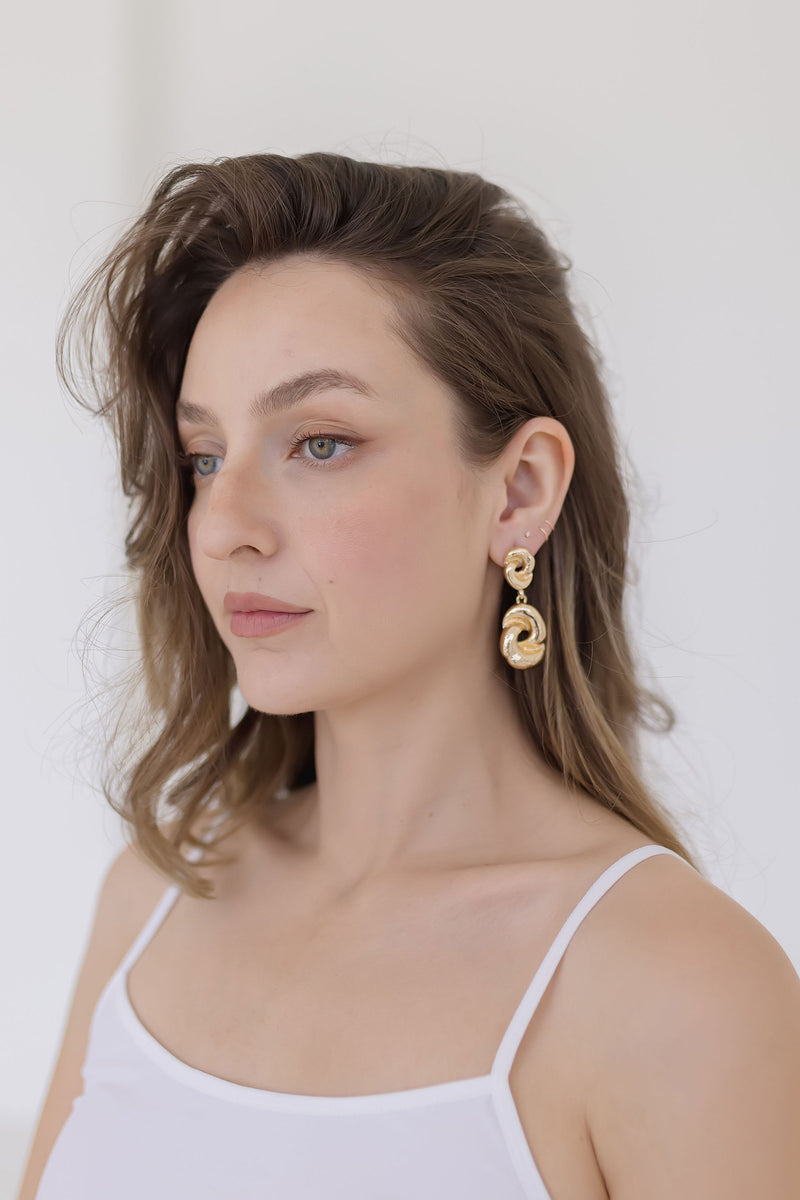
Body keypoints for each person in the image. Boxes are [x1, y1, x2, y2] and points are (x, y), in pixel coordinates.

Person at [19, 152, 800, 1199]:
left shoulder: (674, 988)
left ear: (519, 491)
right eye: (205, 456)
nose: (223, 525)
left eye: (320, 443)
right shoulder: (157, 896)